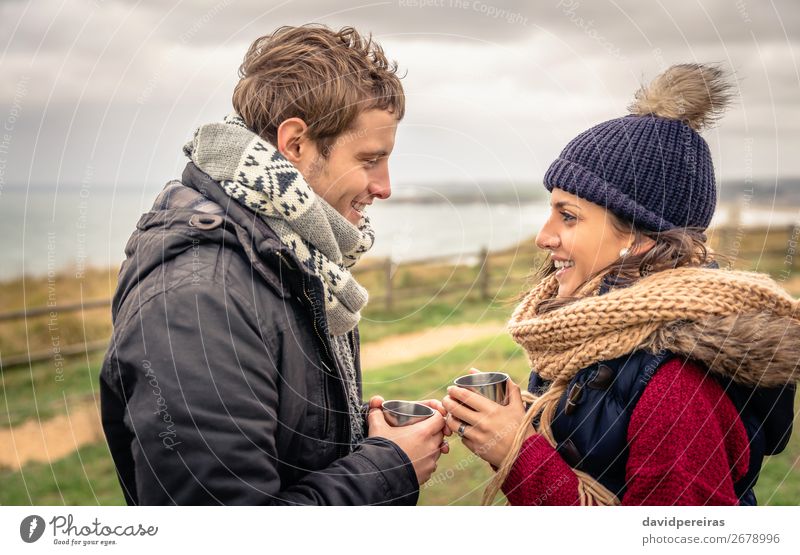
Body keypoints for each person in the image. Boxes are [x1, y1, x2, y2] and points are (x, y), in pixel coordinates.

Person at [100, 24, 448, 506]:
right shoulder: (199, 302)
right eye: (370, 160)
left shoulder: (298, 253)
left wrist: (366, 444)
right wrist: (390, 466)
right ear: (296, 143)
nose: (385, 186)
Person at [443, 63, 799, 505]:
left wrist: (516, 450)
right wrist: (518, 421)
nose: (543, 236)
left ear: (638, 235)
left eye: (568, 216)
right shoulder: (600, 332)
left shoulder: (679, 384)